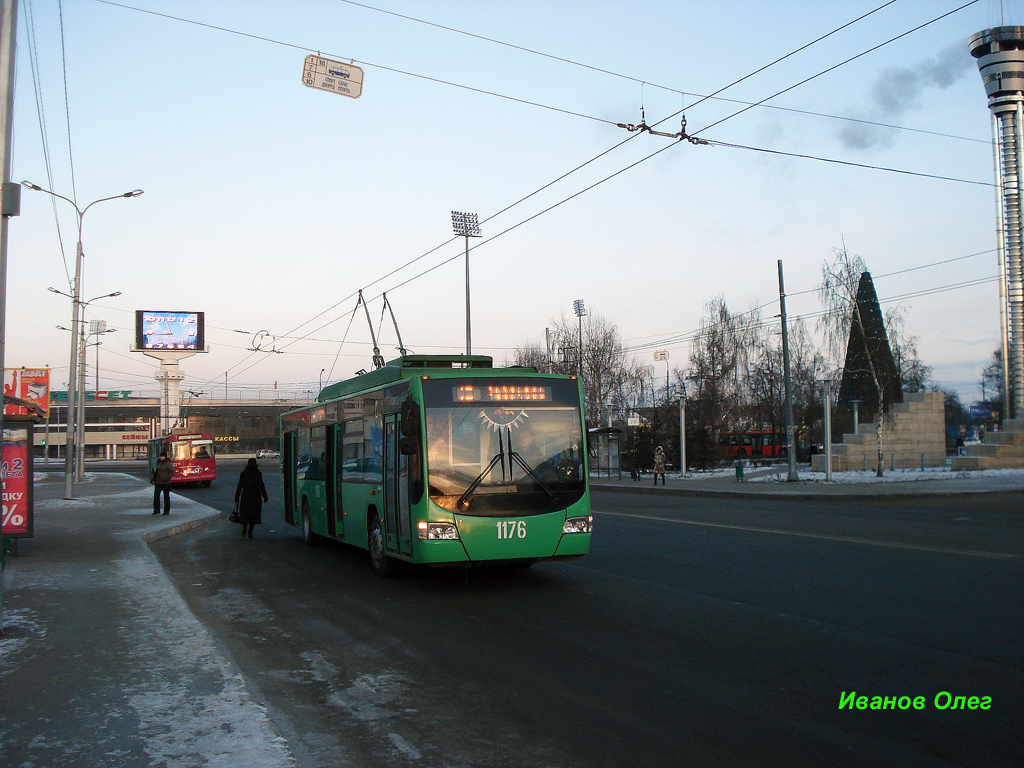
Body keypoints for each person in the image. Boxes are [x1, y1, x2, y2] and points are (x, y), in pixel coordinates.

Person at [235, 458, 269, 539]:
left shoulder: (243, 473)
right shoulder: (257, 473)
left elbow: (239, 486)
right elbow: (261, 485)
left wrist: (236, 498)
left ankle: (244, 527)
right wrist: (265, 496)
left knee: (245, 512)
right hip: (255, 495)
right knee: (254, 513)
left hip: (245, 494)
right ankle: (250, 532)